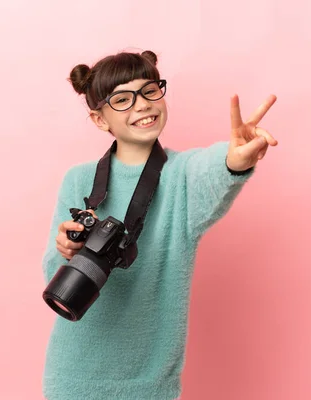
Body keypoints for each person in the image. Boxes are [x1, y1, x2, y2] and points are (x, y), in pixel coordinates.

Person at [41, 49, 278, 400]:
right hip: (72, 377)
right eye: (123, 99)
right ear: (100, 119)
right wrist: (67, 249)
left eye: (150, 91)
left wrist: (234, 160)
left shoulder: (180, 176)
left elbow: (210, 171)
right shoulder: (79, 181)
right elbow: (53, 277)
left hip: (150, 384)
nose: (142, 105)